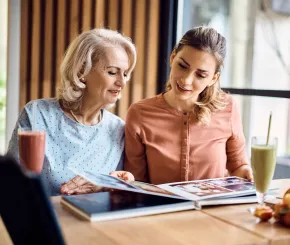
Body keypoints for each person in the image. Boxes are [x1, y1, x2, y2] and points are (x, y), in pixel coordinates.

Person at [7, 28, 136, 195]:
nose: (122, 82)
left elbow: (120, 194)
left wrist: (115, 183)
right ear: (82, 71)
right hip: (42, 218)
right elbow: (9, 182)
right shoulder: (37, 114)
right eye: (112, 72)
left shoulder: (119, 129)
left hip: (94, 220)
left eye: (125, 74)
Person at [124, 26, 253, 184]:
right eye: (182, 66)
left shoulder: (228, 107)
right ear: (172, 58)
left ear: (213, 78)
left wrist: (246, 172)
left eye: (200, 75)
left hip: (213, 207)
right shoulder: (140, 113)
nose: (186, 80)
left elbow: (238, 167)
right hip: (160, 208)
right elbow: (135, 182)